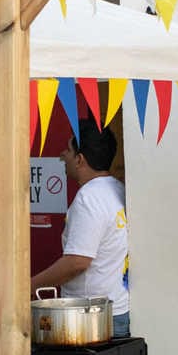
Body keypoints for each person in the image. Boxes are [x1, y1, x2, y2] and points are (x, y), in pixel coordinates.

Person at [31, 123, 129, 338]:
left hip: (90, 317)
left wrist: (30, 285)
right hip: (115, 309)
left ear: (80, 159)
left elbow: (78, 261)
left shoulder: (89, 198)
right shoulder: (117, 189)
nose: (61, 155)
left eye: (67, 150)